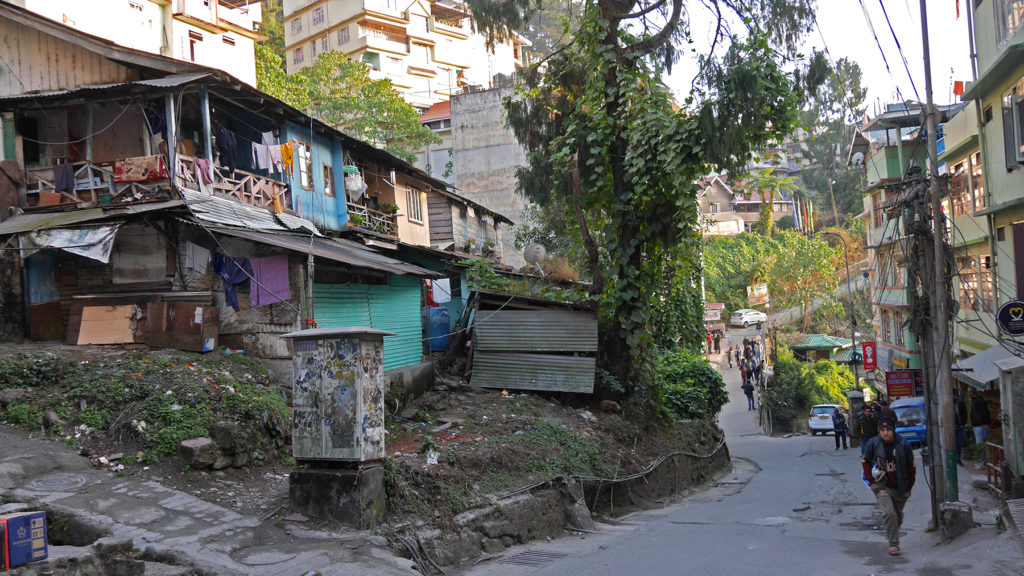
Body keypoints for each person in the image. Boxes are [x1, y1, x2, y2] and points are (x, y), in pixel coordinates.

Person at [861, 419, 916, 556]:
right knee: (889, 513)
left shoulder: (904, 445)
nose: (885, 433)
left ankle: (892, 533)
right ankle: (894, 544)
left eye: (888, 430)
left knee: (897, 517)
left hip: (900, 487)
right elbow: (865, 462)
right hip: (882, 486)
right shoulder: (874, 443)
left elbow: (911, 467)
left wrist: (909, 487)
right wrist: (872, 482)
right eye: (882, 430)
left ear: (893, 430)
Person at [970, 389, 991, 469]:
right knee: (980, 445)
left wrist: (981, 422)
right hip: (978, 425)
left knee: (980, 445)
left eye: (970, 392)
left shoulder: (978, 400)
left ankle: (982, 463)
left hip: (980, 426)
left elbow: (983, 413)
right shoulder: (975, 400)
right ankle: (982, 462)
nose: (968, 393)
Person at [954, 390, 968, 467]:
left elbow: (964, 413)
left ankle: (958, 459)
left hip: (959, 426)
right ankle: (955, 459)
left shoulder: (960, 403)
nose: (955, 397)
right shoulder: (948, 403)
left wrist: (963, 424)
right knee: (953, 444)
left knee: (958, 444)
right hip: (952, 427)